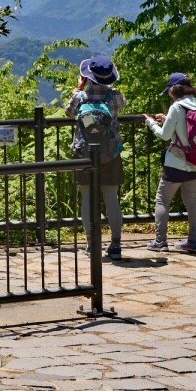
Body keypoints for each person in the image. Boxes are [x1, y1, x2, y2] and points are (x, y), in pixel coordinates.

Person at [65, 53, 125, 261]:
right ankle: (116, 244)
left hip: (84, 153)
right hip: (110, 152)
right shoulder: (115, 96)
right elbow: (119, 109)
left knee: (87, 197)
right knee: (111, 197)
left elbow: (68, 112)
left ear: (87, 76)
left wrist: (78, 89)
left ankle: (92, 244)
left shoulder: (80, 97)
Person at [143, 72, 196, 253]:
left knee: (162, 200)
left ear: (173, 90)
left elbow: (165, 135)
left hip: (177, 161)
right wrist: (167, 119)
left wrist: (150, 123)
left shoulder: (177, 107)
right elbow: (187, 129)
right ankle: (194, 241)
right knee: (192, 200)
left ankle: (160, 241)